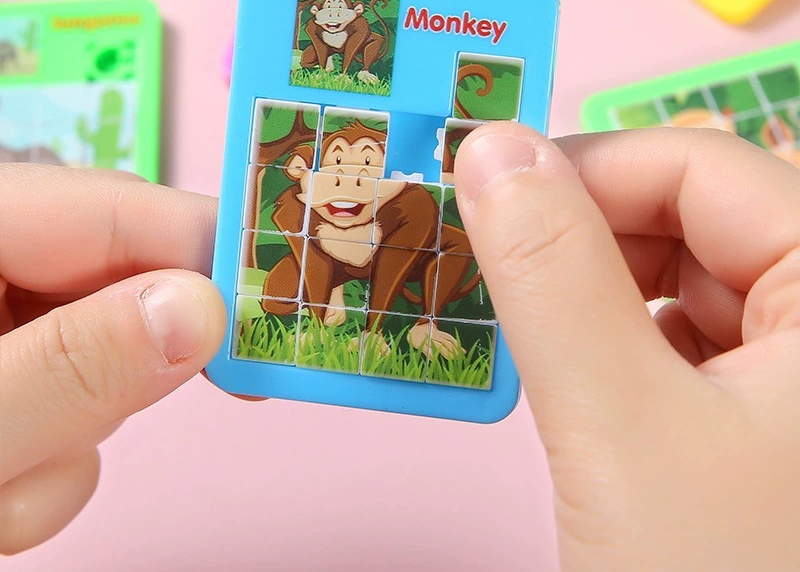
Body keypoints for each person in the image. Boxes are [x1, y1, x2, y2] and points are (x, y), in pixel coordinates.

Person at [1, 125, 799, 569]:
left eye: (365, 166)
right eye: (337, 165)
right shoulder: (302, 209)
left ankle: (393, 317)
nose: (351, 177)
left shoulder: (407, 211)